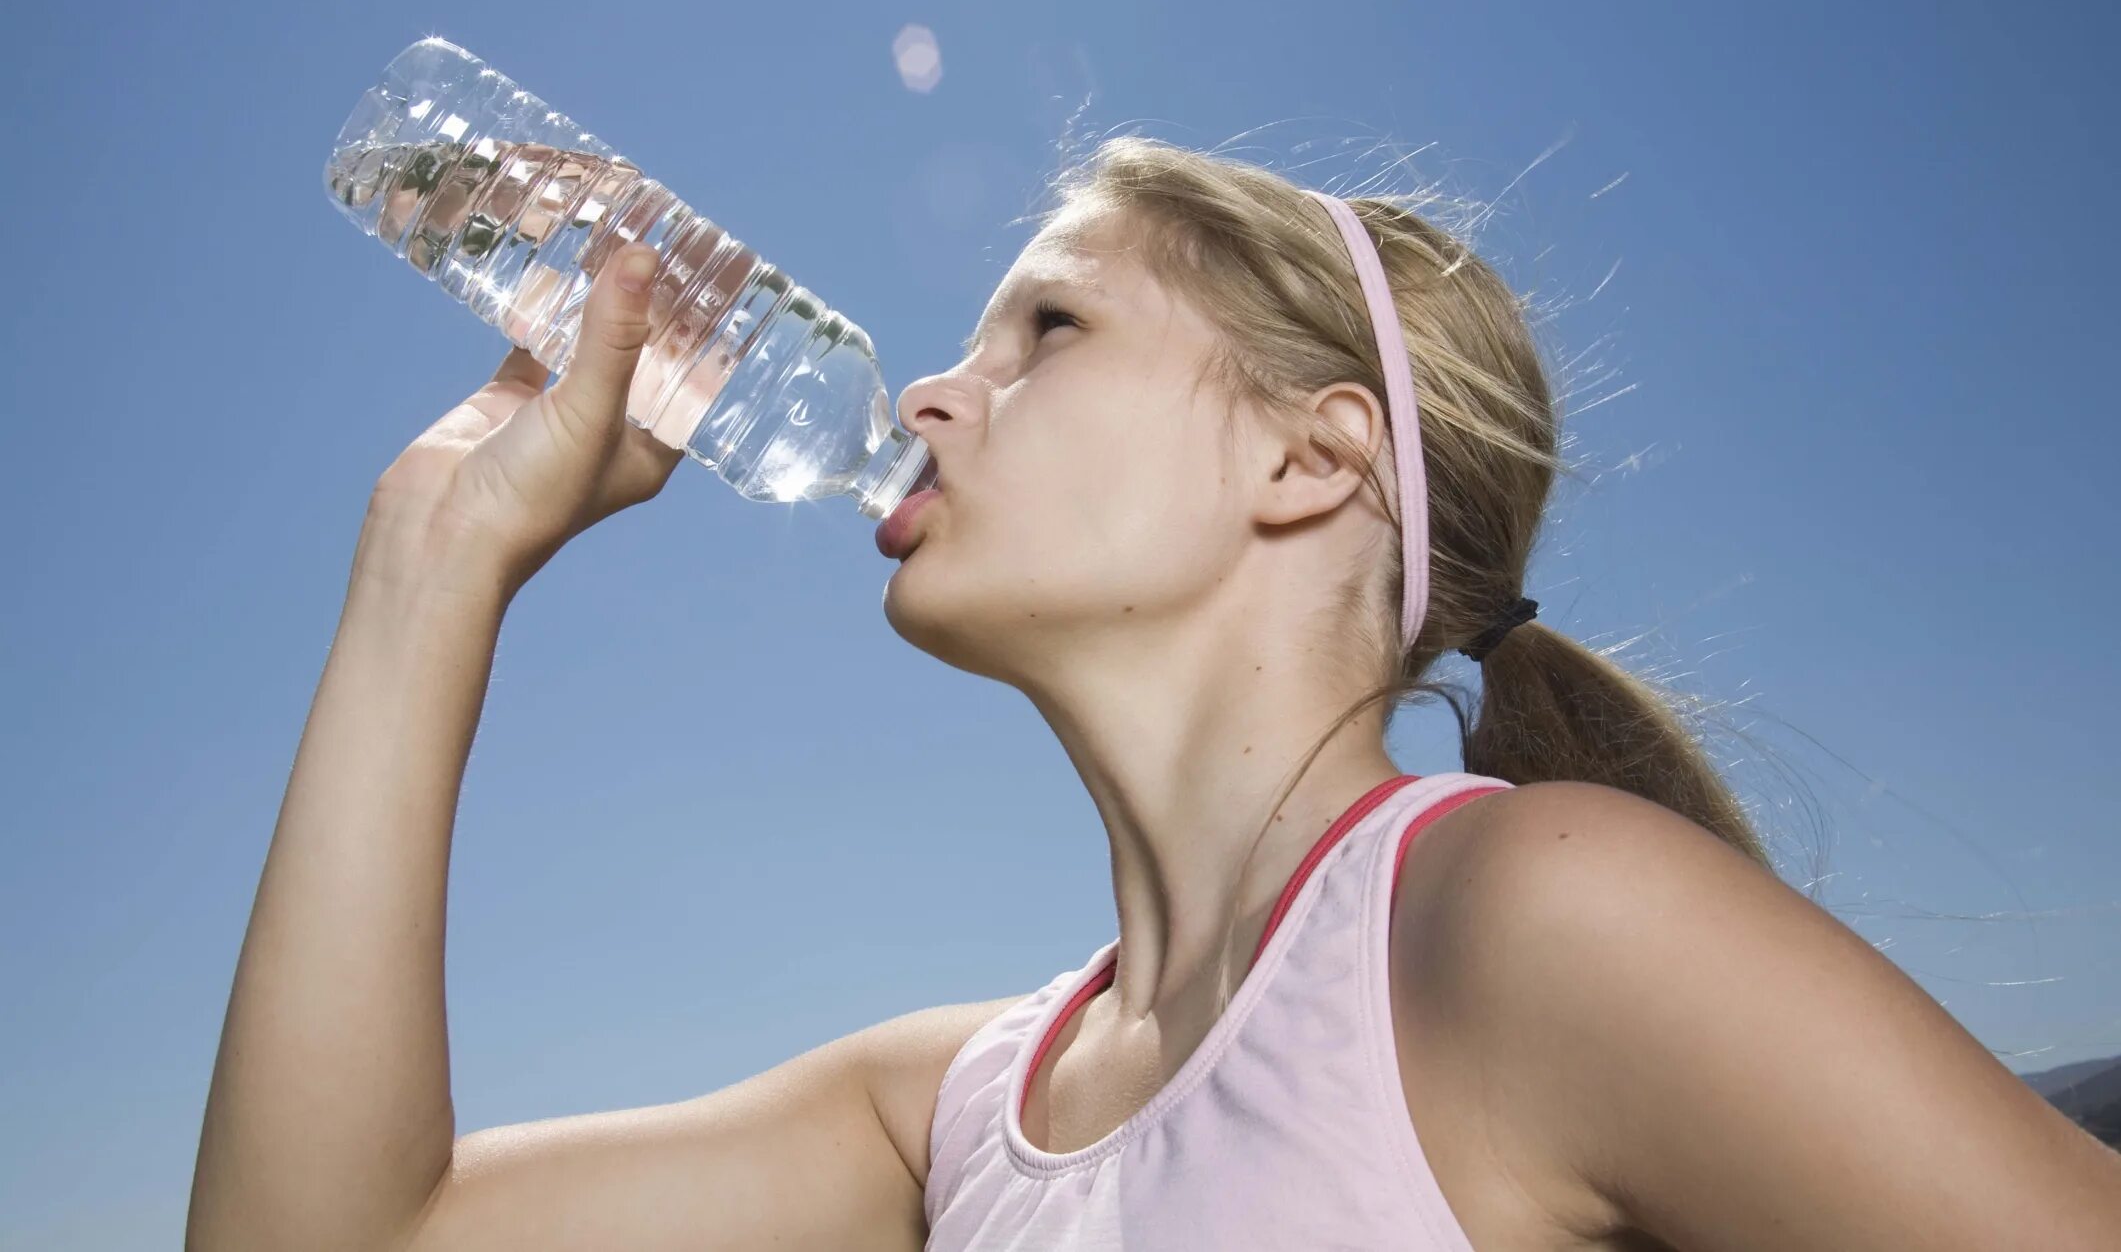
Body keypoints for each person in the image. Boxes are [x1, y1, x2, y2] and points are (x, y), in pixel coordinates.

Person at [189, 137, 2121, 1251]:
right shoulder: (951, 1109)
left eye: (1045, 328)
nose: (932, 393)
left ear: (1309, 459)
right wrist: (427, 565)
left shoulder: (1527, 922)